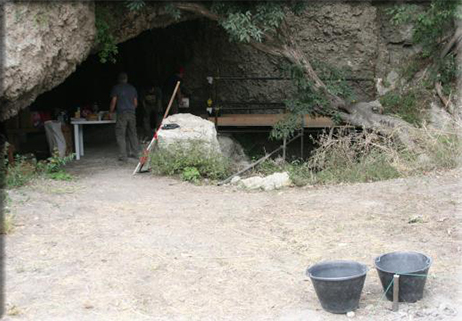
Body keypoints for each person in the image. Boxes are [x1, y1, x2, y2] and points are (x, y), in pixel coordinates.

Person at [109, 72, 140, 162]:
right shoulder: (132, 88)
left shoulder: (116, 88)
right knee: (133, 133)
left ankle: (123, 156)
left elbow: (113, 102)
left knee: (120, 134)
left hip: (122, 113)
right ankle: (136, 153)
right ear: (126, 79)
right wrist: (130, 108)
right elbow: (135, 103)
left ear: (119, 79)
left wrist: (110, 112)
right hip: (132, 113)